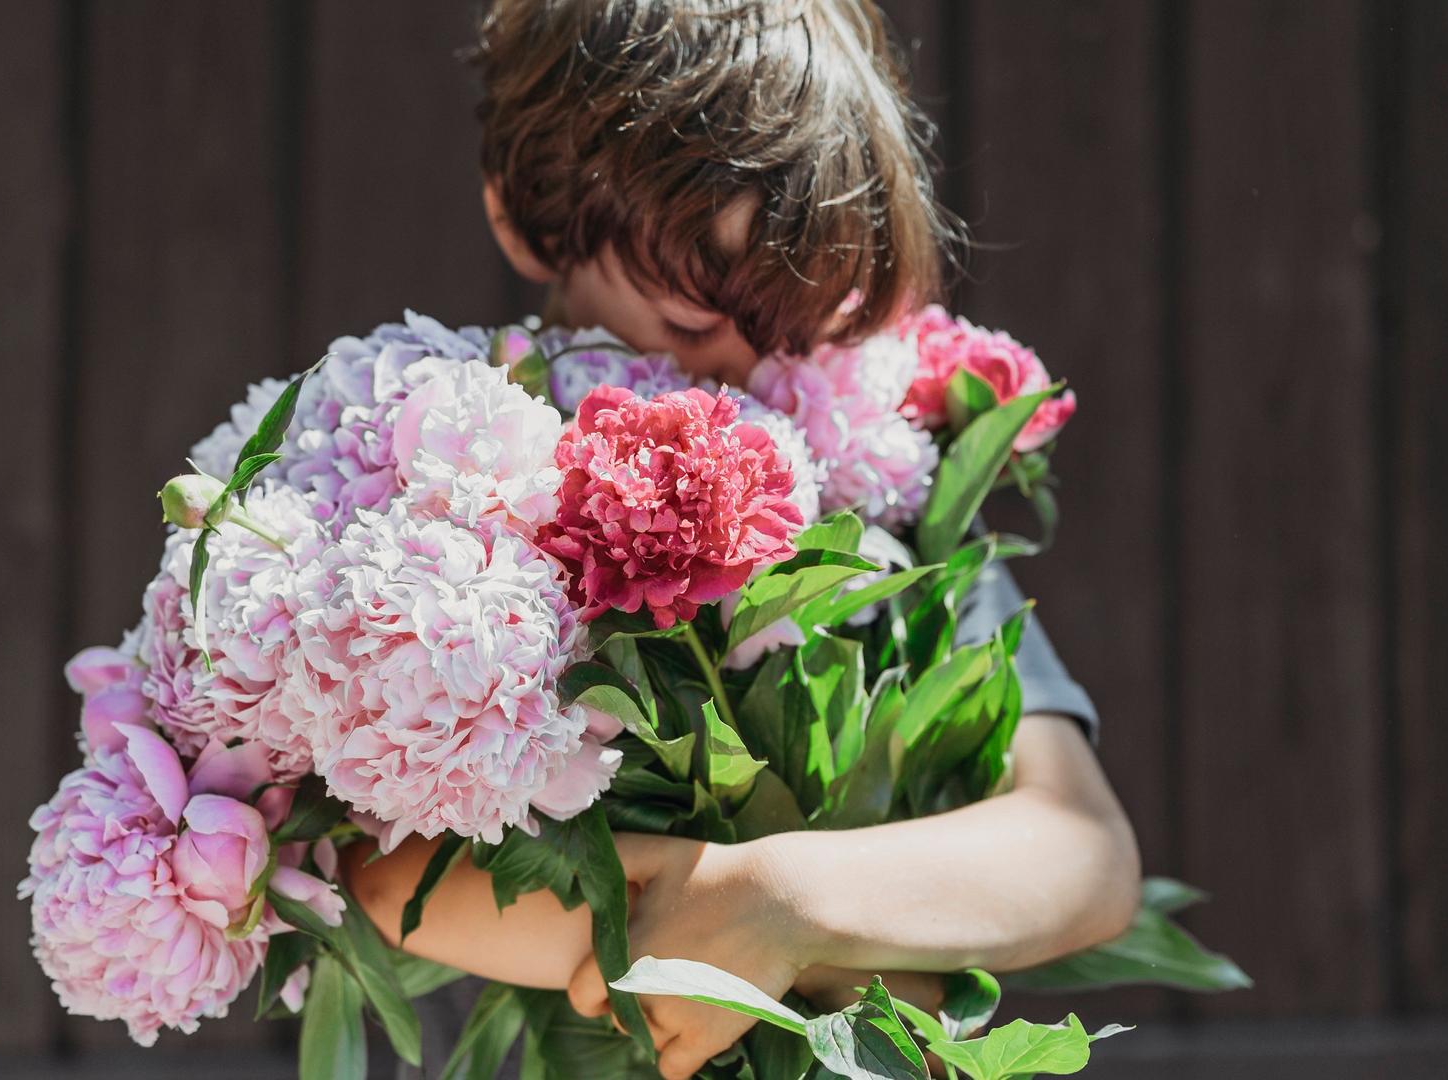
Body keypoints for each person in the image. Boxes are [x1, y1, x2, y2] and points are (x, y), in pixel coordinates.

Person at [344, 3, 1141, 1078]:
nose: (741, 374)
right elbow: (388, 880)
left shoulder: (879, 514)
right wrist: (866, 965)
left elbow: (1081, 851)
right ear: (524, 216)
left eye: (796, 319)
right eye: (694, 321)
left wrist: (784, 903)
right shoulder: (440, 515)